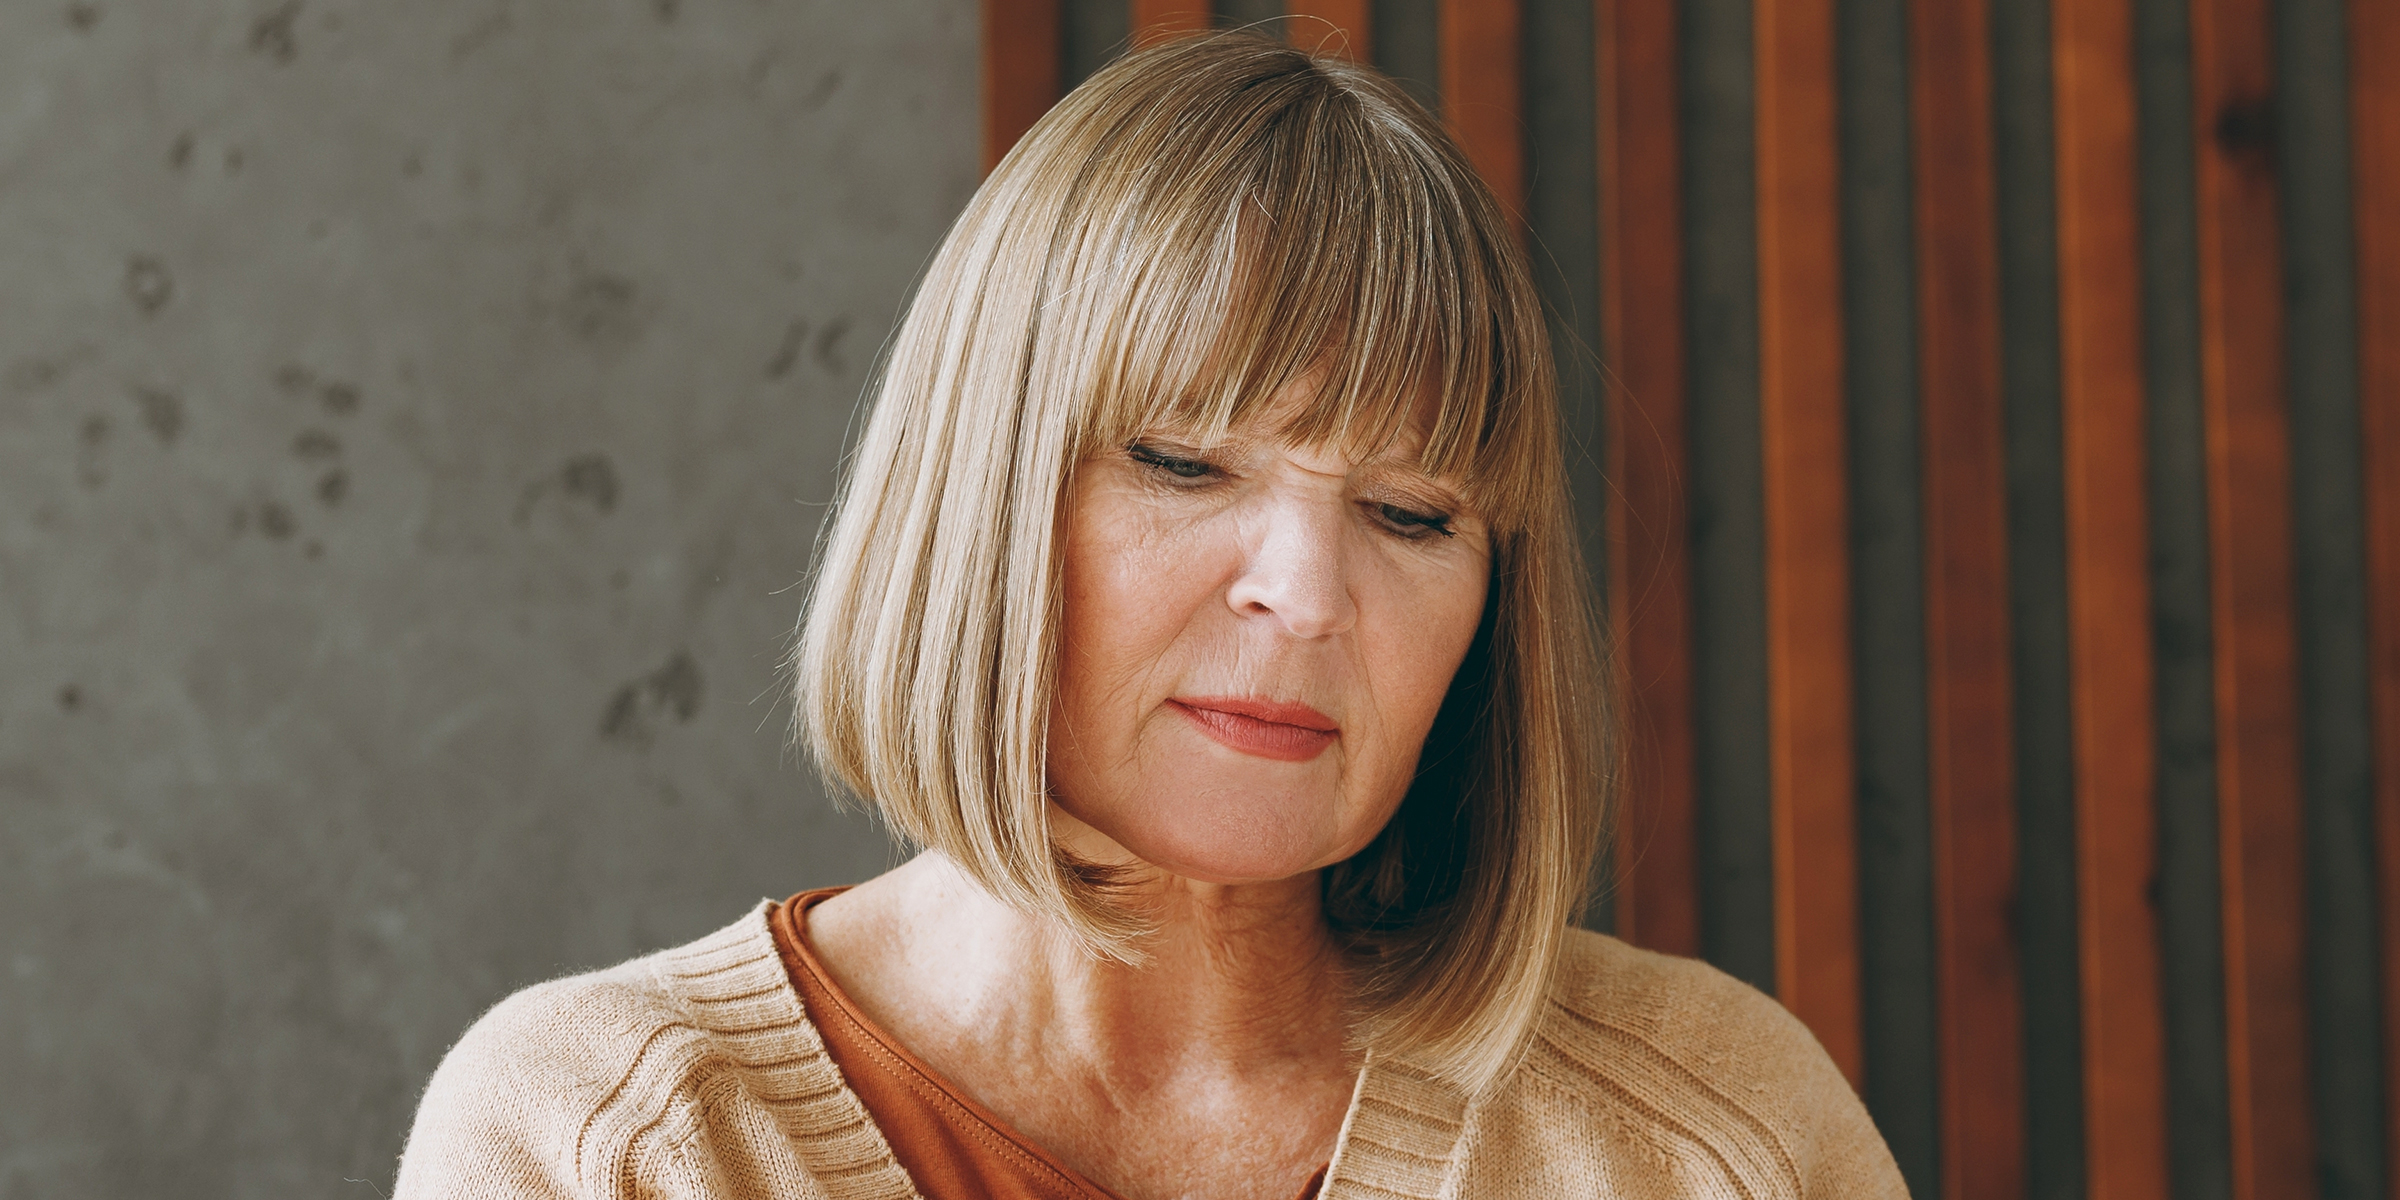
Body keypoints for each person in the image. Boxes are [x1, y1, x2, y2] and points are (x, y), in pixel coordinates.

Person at [393, 32, 1904, 1200]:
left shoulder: (1716, 1132)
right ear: (978, 498)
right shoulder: (608, 1143)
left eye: (1413, 514)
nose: (1308, 596)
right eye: (1184, 461)